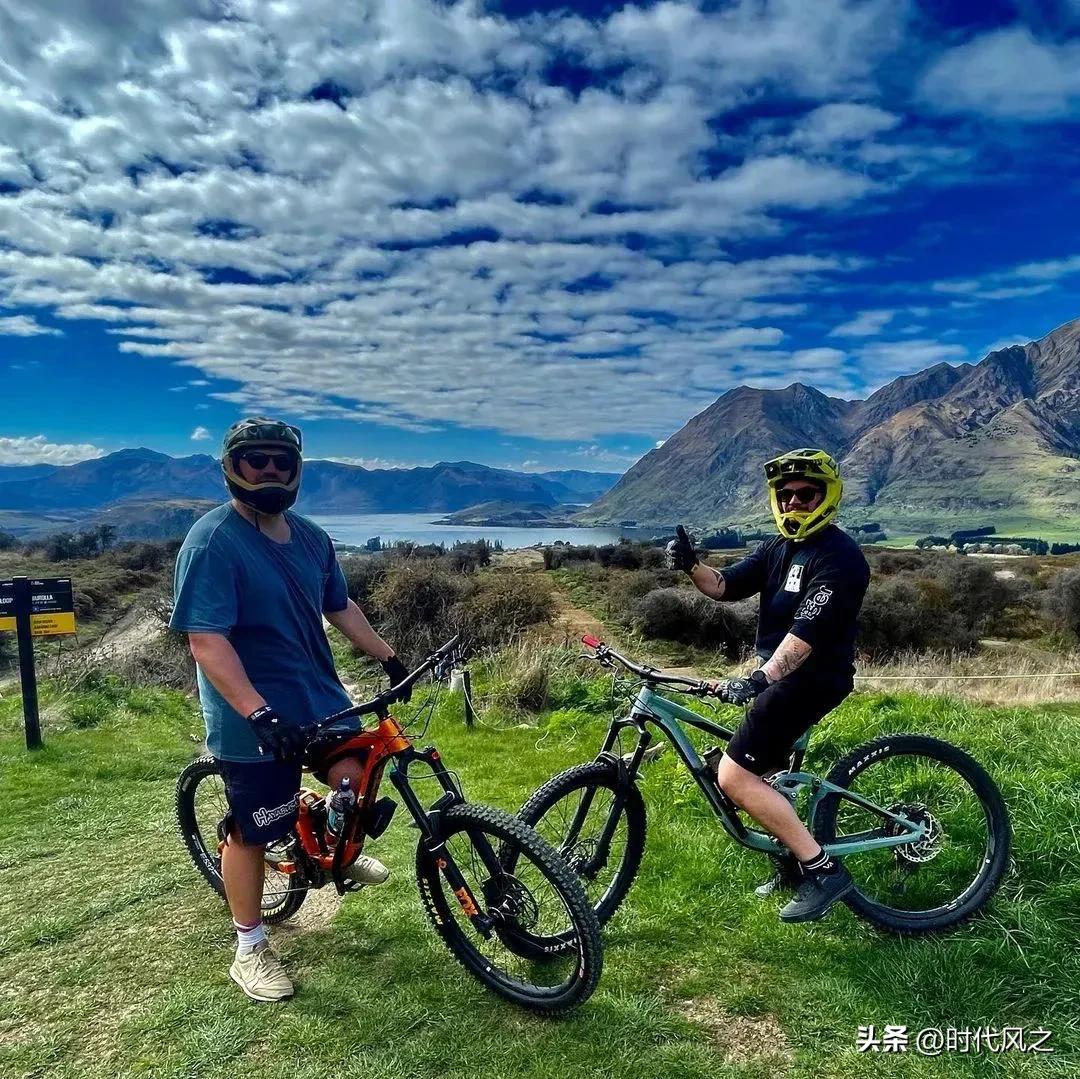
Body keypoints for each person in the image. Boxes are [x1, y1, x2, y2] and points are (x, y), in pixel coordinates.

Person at [170, 417, 411, 1002]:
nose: (270, 470)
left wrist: (388, 656)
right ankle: (249, 946)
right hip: (250, 714)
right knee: (254, 831)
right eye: (257, 460)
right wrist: (256, 712)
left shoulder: (311, 537)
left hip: (318, 698)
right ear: (234, 465)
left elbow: (340, 604)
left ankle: (333, 854)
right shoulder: (212, 541)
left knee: (357, 779)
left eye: (281, 460)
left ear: (296, 469)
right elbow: (206, 640)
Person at [668, 448, 870, 923]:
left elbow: (806, 634)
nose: (795, 502)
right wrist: (691, 565)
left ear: (826, 496)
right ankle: (792, 862)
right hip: (778, 677)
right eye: (787, 494)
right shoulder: (777, 549)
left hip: (812, 678)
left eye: (806, 493)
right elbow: (724, 585)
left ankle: (823, 870)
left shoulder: (840, 557)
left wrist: (758, 678)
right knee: (768, 777)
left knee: (734, 776)